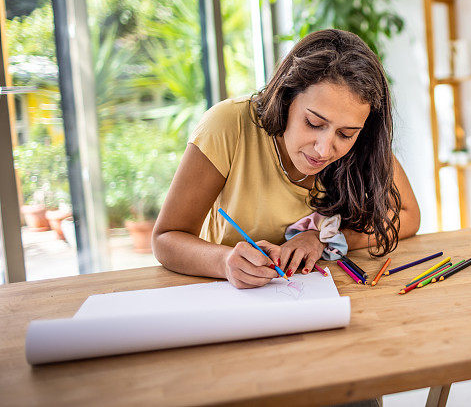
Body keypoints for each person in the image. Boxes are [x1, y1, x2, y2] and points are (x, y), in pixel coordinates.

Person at [152, 29, 420, 288]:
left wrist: (323, 238)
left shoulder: (365, 144)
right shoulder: (227, 125)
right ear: (286, 97)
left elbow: (408, 216)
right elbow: (166, 238)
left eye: (346, 134)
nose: (324, 150)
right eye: (314, 123)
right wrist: (223, 261)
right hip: (231, 300)